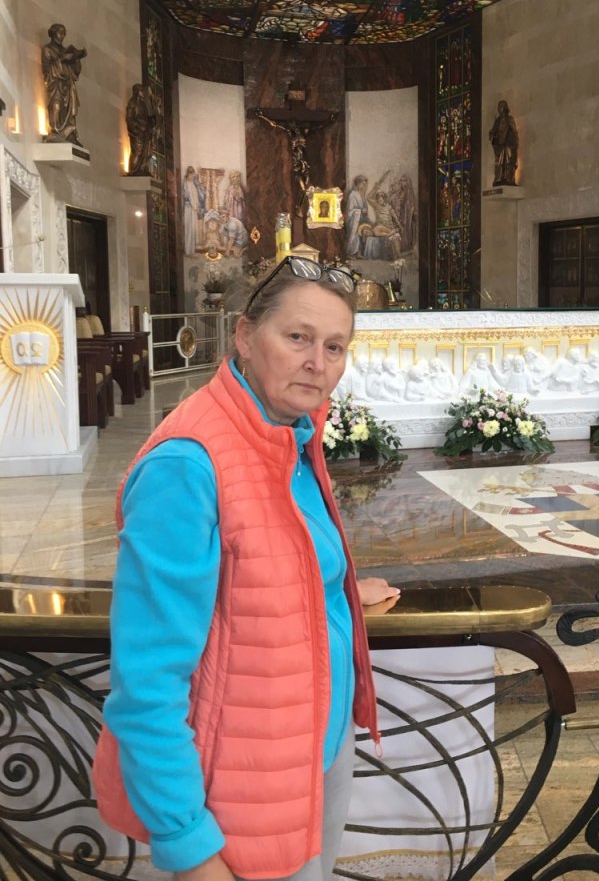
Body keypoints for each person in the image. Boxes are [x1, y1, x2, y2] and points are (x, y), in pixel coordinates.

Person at [93, 254, 400, 881]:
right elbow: (147, 684)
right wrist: (189, 845)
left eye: (335, 347)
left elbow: (268, 555)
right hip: (243, 782)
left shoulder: (287, 429)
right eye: (298, 337)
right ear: (243, 335)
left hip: (313, 750)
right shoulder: (188, 464)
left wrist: (330, 589)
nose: (318, 363)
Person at [41, 23, 87, 145]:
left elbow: (75, 72)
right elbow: (46, 69)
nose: (63, 36)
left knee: (70, 110)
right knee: (56, 106)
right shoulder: (47, 49)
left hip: (68, 85)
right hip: (56, 84)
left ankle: (69, 133)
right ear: (53, 33)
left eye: (64, 33)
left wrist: (76, 59)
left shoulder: (65, 50)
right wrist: (62, 59)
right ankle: (56, 131)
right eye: (60, 32)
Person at [126, 84, 157, 176]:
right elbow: (129, 119)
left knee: (146, 152)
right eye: (141, 91)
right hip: (137, 132)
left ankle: (142, 169)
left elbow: (148, 118)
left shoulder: (143, 104)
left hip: (145, 132)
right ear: (137, 91)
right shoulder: (132, 103)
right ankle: (133, 170)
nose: (143, 93)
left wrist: (150, 123)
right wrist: (138, 127)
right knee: (138, 152)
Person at [489, 99, 518, 186]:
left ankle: (509, 178)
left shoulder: (510, 119)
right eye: (498, 106)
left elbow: (514, 131)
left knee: (508, 161)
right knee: (499, 162)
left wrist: (514, 142)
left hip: (508, 144)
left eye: (500, 106)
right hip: (499, 145)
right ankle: (499, 178)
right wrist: (492, 135)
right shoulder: (497, 120)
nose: (499, 108)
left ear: (504, 107)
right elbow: (493, 131)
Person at [345, 175, 369, 258]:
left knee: (359, 235)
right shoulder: (352, 195)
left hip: (359, 218)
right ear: (358, 183)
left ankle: (358, 253)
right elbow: (350, 210)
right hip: (354, 219)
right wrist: (360, 211)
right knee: (353, 236)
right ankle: (350, 253)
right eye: (363, 184)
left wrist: (363, 211)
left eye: (364, 184)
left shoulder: (359, 194)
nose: (363, 186)